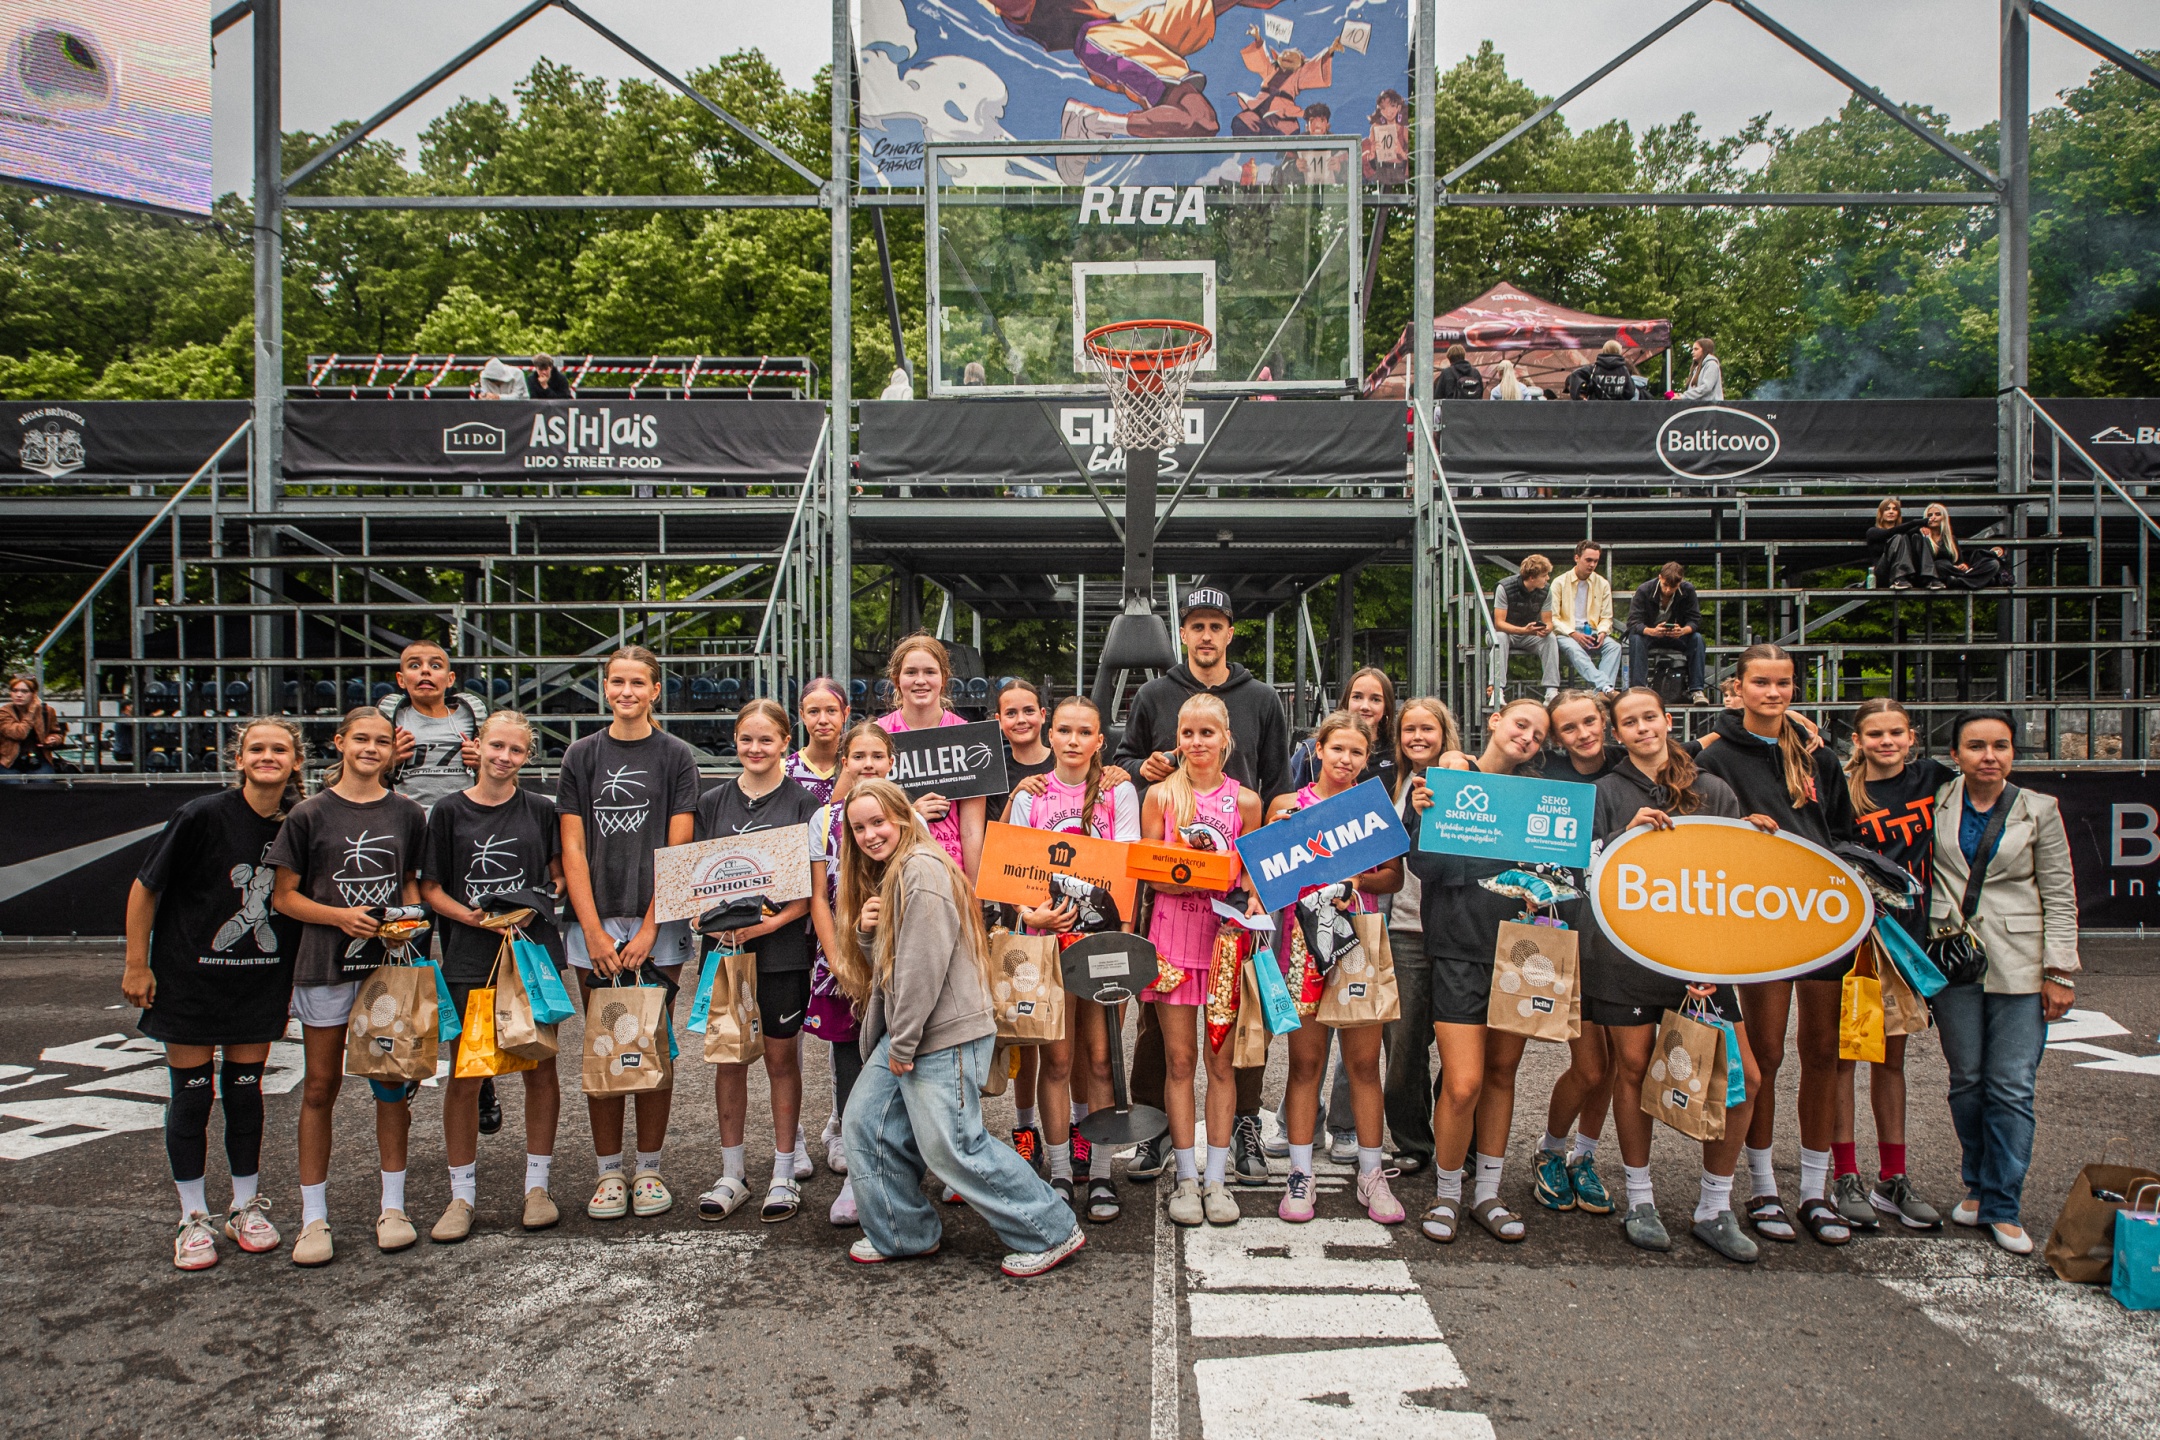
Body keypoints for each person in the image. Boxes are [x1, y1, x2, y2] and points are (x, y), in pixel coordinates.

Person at [831, 779, 1087, 1276]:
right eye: (859, 828)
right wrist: (866, 933)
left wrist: (902, 1044)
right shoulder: (896, 871)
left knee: (954, 1145)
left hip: (938, 1031)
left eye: (878, 822)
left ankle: (1051, 1230)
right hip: (912, 1029)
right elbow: (893, 963)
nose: (869, 835)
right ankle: (902, 1233)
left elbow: (922, 968)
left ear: (902, 818)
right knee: (864, 1122)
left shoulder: (921, 870)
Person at [1114, 587, 1291, 1186]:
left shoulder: (1261, 699)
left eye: (1217, 625)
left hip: (1234, 895)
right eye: (1197, 626)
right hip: (1173, 897)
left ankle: (1243, 1121)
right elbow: (1127, 765)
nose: (1207, 635)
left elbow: (1278, 783)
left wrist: (1266, 869)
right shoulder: (1154, 695)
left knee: (1241, 1022)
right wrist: (1143, 769)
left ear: (1230, 633)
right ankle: (1157, 1124)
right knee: (1162, 1032)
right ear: (1183, 633)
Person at [1588, 688, 1770, 1260]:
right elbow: (1583, 876)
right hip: (1625, 958)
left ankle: (1714, 1207)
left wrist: (1717, 959)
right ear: (1617, 733)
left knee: (1744, 1080)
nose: (1643, 728)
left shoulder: (1713, 790)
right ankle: (1640, 1200)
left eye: (1650, 717)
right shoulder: (1604, 792)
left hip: (1701, 962)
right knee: (1634, 1070)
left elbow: (1732, 884)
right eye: (1630, 722)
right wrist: (1622, 838)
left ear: (1669, 721)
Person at [123, 717, 306, 1270]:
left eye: (279, 749)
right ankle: (193, 1217)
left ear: (296, 761)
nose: (268, 756)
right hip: (189, 980)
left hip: (258, 981)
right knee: (193, 1096)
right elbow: (145, 888)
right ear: (239, 759)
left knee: (246, 1095)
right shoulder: (201, 815)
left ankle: (244, 1207)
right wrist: (137, 963)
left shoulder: (299, 822)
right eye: (257, 748)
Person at [1694, 643, 1858, 1248]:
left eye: (1783, 683)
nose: (1773, 693)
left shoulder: (1818, 754)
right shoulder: (1713, 754)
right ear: (1737, 688)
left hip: (1820, 916)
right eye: (1760, 682)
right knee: (1763, 1055)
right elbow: (1689, 812)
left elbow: (1841, 833)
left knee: (1823, 1053)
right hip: (1759, 918)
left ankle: (1814, 1190)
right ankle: (1762, 1187)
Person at [267, 707, 431, 1266]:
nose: (370, 748)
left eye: (381, 741)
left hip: (388, 968)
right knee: (319, 1087)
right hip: (325, 965)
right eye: (361, 738)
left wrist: (407, 926)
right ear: (339, 742)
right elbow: (284, 897)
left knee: (390, 1085)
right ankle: (313, 1218)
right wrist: (340, 917)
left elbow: (409, 884)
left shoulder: (407, 812)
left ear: (393, 750)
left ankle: (394, 1208)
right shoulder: (308, 814)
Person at [556, 646, 701, 1223]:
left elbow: (679, 848)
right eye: (617, 681)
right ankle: (608, 1173)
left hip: (656, 920)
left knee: (653, 1043)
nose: (627, 692)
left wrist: (650, 926)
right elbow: (572, 847)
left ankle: (649, 1169)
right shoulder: (581, 754)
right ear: (605, 687)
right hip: (593, 918)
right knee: (604, 1044)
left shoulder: (676, 756)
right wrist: (593, 930)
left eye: (638, 682)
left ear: (655, 690)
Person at [1928, 709, 2079, 1254]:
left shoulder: (2040, 809)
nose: (1989, 756)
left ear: (2013, 752)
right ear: (1955, 754)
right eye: (1976, 746)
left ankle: (2002, 1203)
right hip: (1953, 958)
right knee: (1967, 1080)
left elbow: (2060, 893)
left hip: (2021, 962)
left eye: (2000, 745)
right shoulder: (1936, 801)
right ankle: (1978, 1183)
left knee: (2011, 1085)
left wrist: (2059, 971)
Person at [1405, 696, 1550, 1245]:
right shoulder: (1445, 779)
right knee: (1463, 1082)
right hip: (1459, 949)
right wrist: (1428, 812)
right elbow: (1424, 865)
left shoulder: (1541, 796)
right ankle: (1447, 1193)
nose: (1527, 737)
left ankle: (1487, 1192)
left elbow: (1559, 873)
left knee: (1500, 1076)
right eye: (1521, 724)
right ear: (1495, 721)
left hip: (1522, 951)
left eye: (1538, 735)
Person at [417, 710, 565, 1241]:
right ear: (477, 746)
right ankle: (461, 1196)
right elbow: (430, 888)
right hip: (469, 956)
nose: (505, 757)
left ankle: (537, 1188)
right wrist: (471, 917)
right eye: (496, 746)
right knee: (466, 1075)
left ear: (528, 756)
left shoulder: (541, 809)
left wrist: (532, 906)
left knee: (539, 1069)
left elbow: (558, 878)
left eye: (516, 750)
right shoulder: (448, 811)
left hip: (530, 957)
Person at [1006, 695, 1141, 1223]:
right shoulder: (1032, 794)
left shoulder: (1118, 791)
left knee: (1102, 1060)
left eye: (1085, 732)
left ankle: (1101, 1173)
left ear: (1100, 740)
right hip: (1050, 945)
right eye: (1064, 730)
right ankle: (1061, 1172)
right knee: (1058, 1062)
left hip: (1103, 946)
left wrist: (1124, 940)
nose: (1073, 740)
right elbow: (1014, 875)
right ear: (1051, 735)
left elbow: (1127, 871)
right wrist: (1031, 915)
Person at [1268, 711, 1406, 1225]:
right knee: (1305, 1065)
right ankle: (1300, 1172)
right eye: (1338, 749)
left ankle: (1371, 1173)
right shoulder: (1288, 806)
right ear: (1318, 749)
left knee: (1363, 1065)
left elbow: (1393, 877)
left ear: (1366, 759)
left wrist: (1357, 884)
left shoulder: (1371, 807)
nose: (1346, 759)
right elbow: (1264, 875)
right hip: (1302, 942)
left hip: (1358, 940)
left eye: (1357, 752)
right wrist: (1276, 837)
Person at [693, 699, 821, 1224]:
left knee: (780, 1060)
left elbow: (809, 895)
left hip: (781, 950)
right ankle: (733, 1174)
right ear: (735, 741)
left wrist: (765, 926)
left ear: (786, 744)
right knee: (729, 1059)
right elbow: (693, 878)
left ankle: (784, 1172)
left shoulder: (804, 804)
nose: (755, 748)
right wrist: (709, 922)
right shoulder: (712, 802)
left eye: (767, 739)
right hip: (724, 951)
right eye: (747, 739)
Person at [1142, 693, 1265, 1227]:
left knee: (1220, 1063)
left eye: (1207, 733)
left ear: (1225, 739)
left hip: (1222, 945)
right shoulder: (1161, 796)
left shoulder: (1246, 803)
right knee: (1178, 1061)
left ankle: (1217, 1179)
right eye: (1188, 733)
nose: (1197, 742)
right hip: (1172, 942)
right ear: (1177, 739)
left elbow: (1253, 875)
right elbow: (1148, 872)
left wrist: (1247, 892)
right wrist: (1185, 873)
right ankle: (1186, 1178)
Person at [1837, 698, 1952, 1231]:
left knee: (1891, 1061)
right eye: (1875, 734)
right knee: (1844, 1059)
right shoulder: (1845, 791)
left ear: (1912, 737)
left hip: (1909, 942)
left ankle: (1893, 1177)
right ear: (1857, 741)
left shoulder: (1934, 779)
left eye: (1896, 733)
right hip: (1857, 944)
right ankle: (1844, 1174)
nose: (1886, 742)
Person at [1527, 691, 1621, 1221]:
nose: (1583, 733)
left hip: (1625, 941)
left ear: (1604, 720)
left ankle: (1584, 1155)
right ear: (1557, 738)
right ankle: (1550, 1148)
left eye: (1590, 721)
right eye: (1569, 727)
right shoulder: (1547, 775)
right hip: (1571, 937)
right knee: (1590, 1066)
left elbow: (1689, 755)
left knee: (1614, 1066)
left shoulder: (1628, 769)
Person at [808, 721, 901, 1226]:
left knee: (900, 1060)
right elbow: (817, 900)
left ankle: (902, 1164)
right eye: (858, 756)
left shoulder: (905, 816)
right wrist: (838, 959)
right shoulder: (823, 818)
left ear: (891, 762)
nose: (868, 764)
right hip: (842, 961)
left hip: (896, 960)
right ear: (844, 762)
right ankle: (856, 1171)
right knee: (851, 1060)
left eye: (877, 756)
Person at [1379, 697, 1461, 1174]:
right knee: (1403, 1047)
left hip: (1454, 930)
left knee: (1459, 1049)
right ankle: (1412, 1141)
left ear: (1444, 732)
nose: (1417, 737)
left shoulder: (1466, 776)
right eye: (1409, 729)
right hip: (1403, 927)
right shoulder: (1390, 783)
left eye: (1427, 729)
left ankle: (1459, 1141)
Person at [878, 633, 987, 880]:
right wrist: (911, 814)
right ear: (896, 679)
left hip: (951, 872)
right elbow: (857, 815)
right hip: (893, 871)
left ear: (943, 678)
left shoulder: (966, 736)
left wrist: (973, 892)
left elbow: (971, 830)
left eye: (929, 672)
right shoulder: (878, 736)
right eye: (911, 672)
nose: (920, 680)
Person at [1290, 665, 1398, 793]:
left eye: (1375, 699)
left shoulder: (1397, 753)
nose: (1365, 706)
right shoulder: (1311, 750)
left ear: (1386, 706)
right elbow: (1288, 796)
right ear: (1347, 700)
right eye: (1357, 697)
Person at [1625, 562, 1711, 705]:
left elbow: (1695, 620)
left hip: (1677, 636)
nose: (1668, 590)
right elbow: (1633, 622)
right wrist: (1652, 631)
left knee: (1697, 639)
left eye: (1673, 587)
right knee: (1636, 639)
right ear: (1660, 577)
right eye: (1665, 585)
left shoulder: (1688, 590)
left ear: (1680, 582)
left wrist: (1683, 630)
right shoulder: (1644, 590)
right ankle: (1639, 690)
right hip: (1650, 635)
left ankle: (1696, 690)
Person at [1546, 540, 1621, 694]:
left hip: (1592, 631)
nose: (1592, 565)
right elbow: (1552, 618)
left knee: (1614, 647)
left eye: (1596, 561)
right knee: (1575, 650)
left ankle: (1599, 693)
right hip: (1566, 633)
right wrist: (1573, 634)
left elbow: (1606, 617)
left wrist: (1602, 632)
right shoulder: (1559, 583)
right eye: (1588, 560)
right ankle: (1605, 687)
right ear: (1577, 558)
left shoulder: (1602, 583)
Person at [1489, 555, 1560, 704]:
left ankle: (1551, 691)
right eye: (1544, 575)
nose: (1547, 578)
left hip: (1528, 634)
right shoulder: (1504, 587)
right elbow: (1498, 624)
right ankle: (1497, 690)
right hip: (1503, 633)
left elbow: (1548, 621)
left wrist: (1547, 628)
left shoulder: (1546, 590)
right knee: (1500, 637)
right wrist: (1523, 630)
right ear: (1532, 578)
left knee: (1551, 638)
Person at [785, 676, 849, 807]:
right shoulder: (783, 771)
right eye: (813, 712)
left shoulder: (858, 768)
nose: (823, 720)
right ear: (803, 715)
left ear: (845, 713)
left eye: (831, 711)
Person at [1866, 497, 1942, 591]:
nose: (1891, 512)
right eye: (1887, 509)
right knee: (1899, 537)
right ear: (1881, 513)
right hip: (1882, 575)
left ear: (1898, 514)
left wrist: (1921, 528)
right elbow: (1889, 533)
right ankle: (1899, 578)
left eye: (1895, 509)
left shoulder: (1904, 533)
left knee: (1917, 537)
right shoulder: (1872, 532)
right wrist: (1915, 523)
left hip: (1906, 576)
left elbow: (1909, 532)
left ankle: (1928, 578)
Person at [1, 674, 65, 775]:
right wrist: (31, 712)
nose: (19, 695)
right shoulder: (4, 712)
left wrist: (53, 739)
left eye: (24, 691)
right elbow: (19, 734)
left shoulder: (47, 711)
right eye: (15, 691)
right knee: (12, 783)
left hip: (38, 758)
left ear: (34, 694)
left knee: (43, 781)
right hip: (9, 760)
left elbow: (57, 733)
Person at [1567, 340, 1639, 401]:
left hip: (1596, 408)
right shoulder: (1623, 370)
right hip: (1618, 409)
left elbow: (1575, 375)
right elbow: (1630, 393)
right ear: (1619, 351)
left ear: (1604, 350)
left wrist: (1579, 397)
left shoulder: (1594, 368)